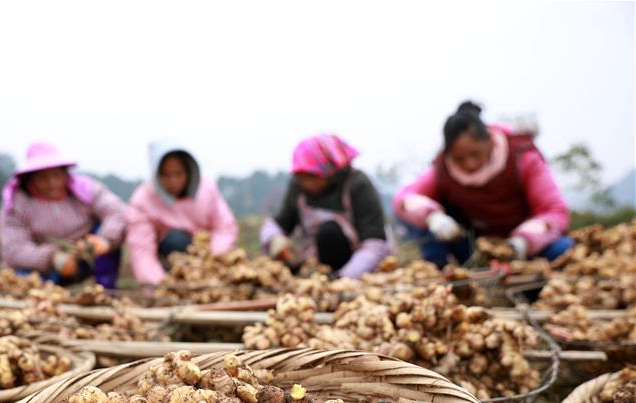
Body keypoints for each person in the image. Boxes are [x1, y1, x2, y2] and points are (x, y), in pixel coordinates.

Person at [393, 101, 572, 267]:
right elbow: (404, 199)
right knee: (419, 219)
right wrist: (433, 217)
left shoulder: (521, 158)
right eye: (459, 159)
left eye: (475, 154)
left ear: (490, 141)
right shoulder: (444, 169)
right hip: (474, 249)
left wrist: (523, 242)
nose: (470, 164)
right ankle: (438, 271)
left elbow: (554, 211)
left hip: (526, 248)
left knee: (565, 250)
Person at [0, 142, 126, 288]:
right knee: (22, 280)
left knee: (108, 239)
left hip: (84, 255)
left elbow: (117, 212)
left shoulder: (84, 189)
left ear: (64, 173)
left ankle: (104, 288)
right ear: (30, 178)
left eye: (56, 175)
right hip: (44, 267)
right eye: (43, 177)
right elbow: (13, 249)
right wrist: (52, 258)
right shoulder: (16, 203)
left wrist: (105, 240)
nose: (51, 183)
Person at [259, 134, 391, 277]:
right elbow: (279, 223)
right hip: (315, 264)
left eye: (312, 177)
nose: (306, 184)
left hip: (359, 264)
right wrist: (274, 240)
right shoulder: (299, 186)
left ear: (328, 171)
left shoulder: (357, 184)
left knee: (329, 233)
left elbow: (374, 244)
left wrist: (342, 278)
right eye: (301, 178)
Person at [126, 141, 238, 285]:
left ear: (188, 171)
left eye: (178, 174)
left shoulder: (206, 189)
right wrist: (161, 286)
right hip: (168, 261)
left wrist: (214, 260)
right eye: (166, 175)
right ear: (156, 174)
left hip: (207, 257)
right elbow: (142, 253)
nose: (173, 181)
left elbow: (224, 228)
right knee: (176, 241)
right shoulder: (143, 200)